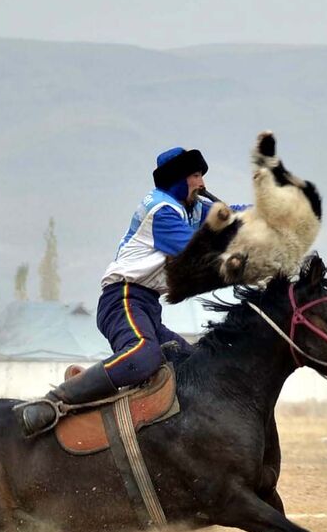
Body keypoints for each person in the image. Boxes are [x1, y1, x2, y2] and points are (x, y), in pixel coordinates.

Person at [21, 145, 244, 434]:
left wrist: (266, 216)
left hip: (147, 306)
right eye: (196, 175)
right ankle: (54, 401)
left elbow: (231, 215)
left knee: (190, 363)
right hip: (123, 298)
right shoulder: (162, 211)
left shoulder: (190, 207)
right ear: (178, 179)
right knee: (143, 355)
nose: (202, 184)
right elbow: (196, 250)